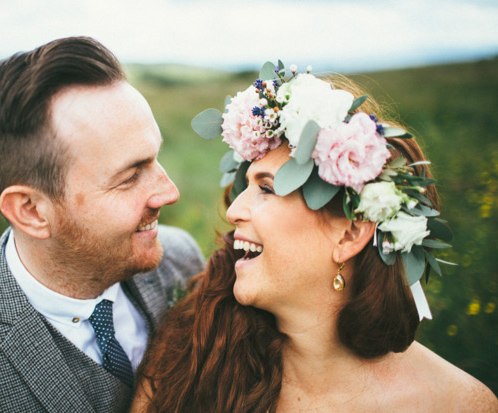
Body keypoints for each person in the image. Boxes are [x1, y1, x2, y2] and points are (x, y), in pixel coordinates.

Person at [132, 63, 498, 412]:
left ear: (351, 232)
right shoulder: (189, 353)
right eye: (246, 185)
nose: (233, 212)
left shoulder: (459, 404)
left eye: (268, 189)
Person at [0, 37, 205, 412]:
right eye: (130, 176)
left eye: (154, 158)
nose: (170, 192)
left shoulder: (182, 262)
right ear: (31, 211)